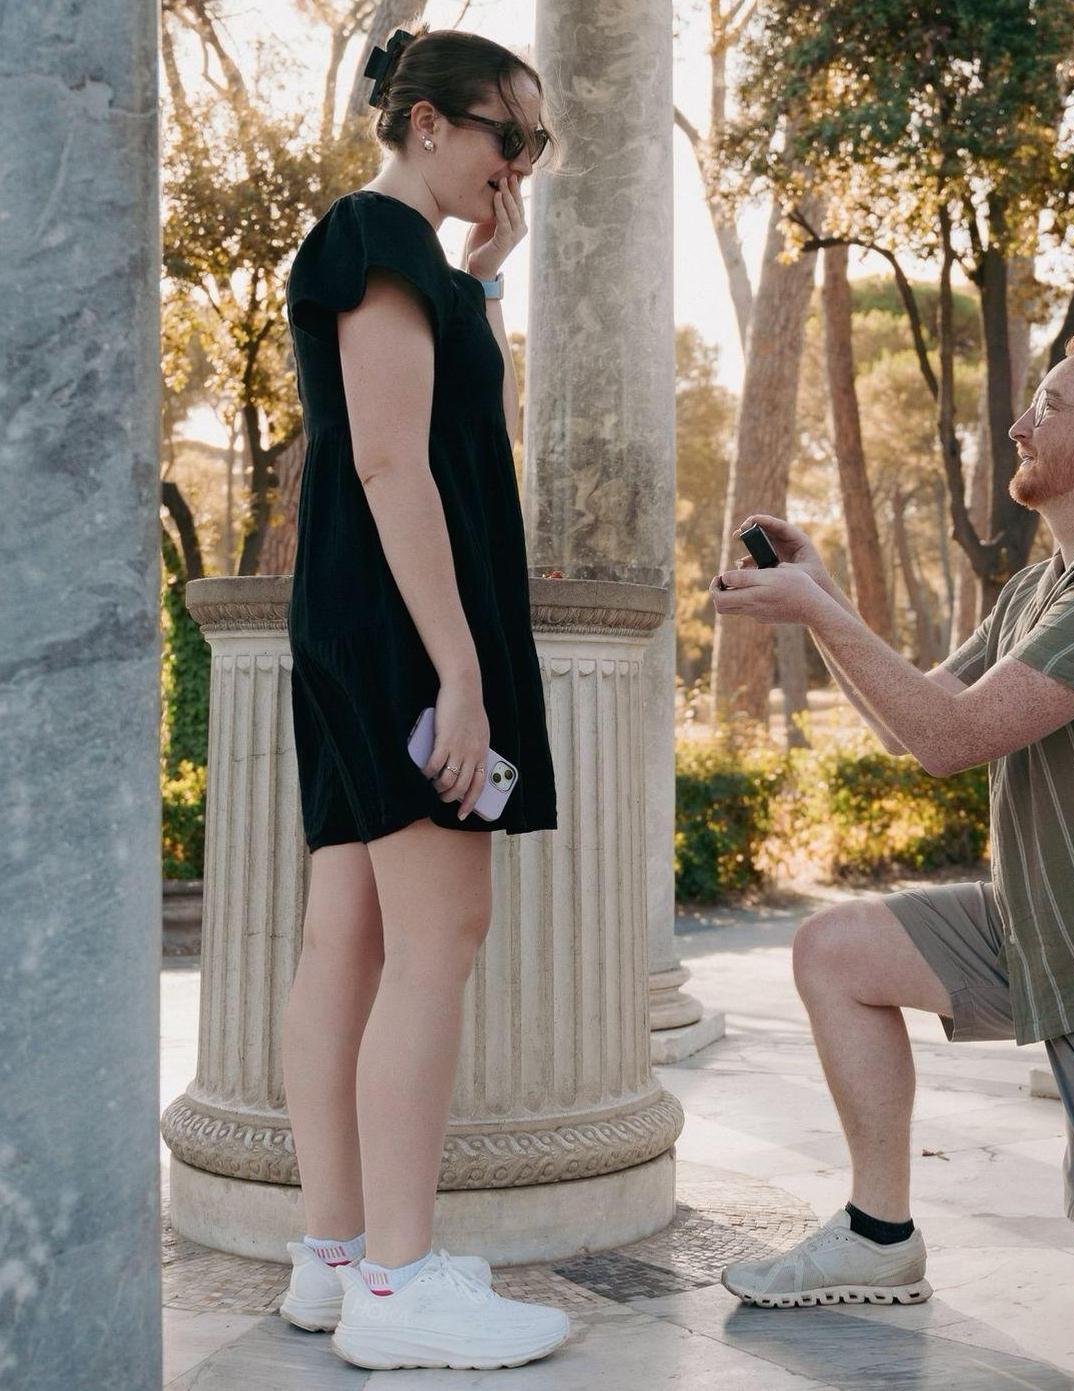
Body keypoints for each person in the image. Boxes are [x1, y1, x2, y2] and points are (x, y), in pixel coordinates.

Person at [709, 329, 1074, 1337]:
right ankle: (879, 1237)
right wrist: (824, 597)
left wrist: (819, 615)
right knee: (835, 949)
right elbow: (917, 719)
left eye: (1049, 403)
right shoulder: (1043, 584)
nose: (1019, 421)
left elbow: (952, 737)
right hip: (1047, 932)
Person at [273, 27, 570, 1371]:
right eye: (516, 137)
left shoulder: (415, 264)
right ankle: (398, 1282)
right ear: (432, 123)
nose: (524, 167)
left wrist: (483, 285)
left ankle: (335, 1256)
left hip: (365, 614)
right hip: (403, 624)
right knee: (439, 931)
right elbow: (397, 468)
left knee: (350, 932)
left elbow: (446, 441)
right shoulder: (370, 238)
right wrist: (458, 670)